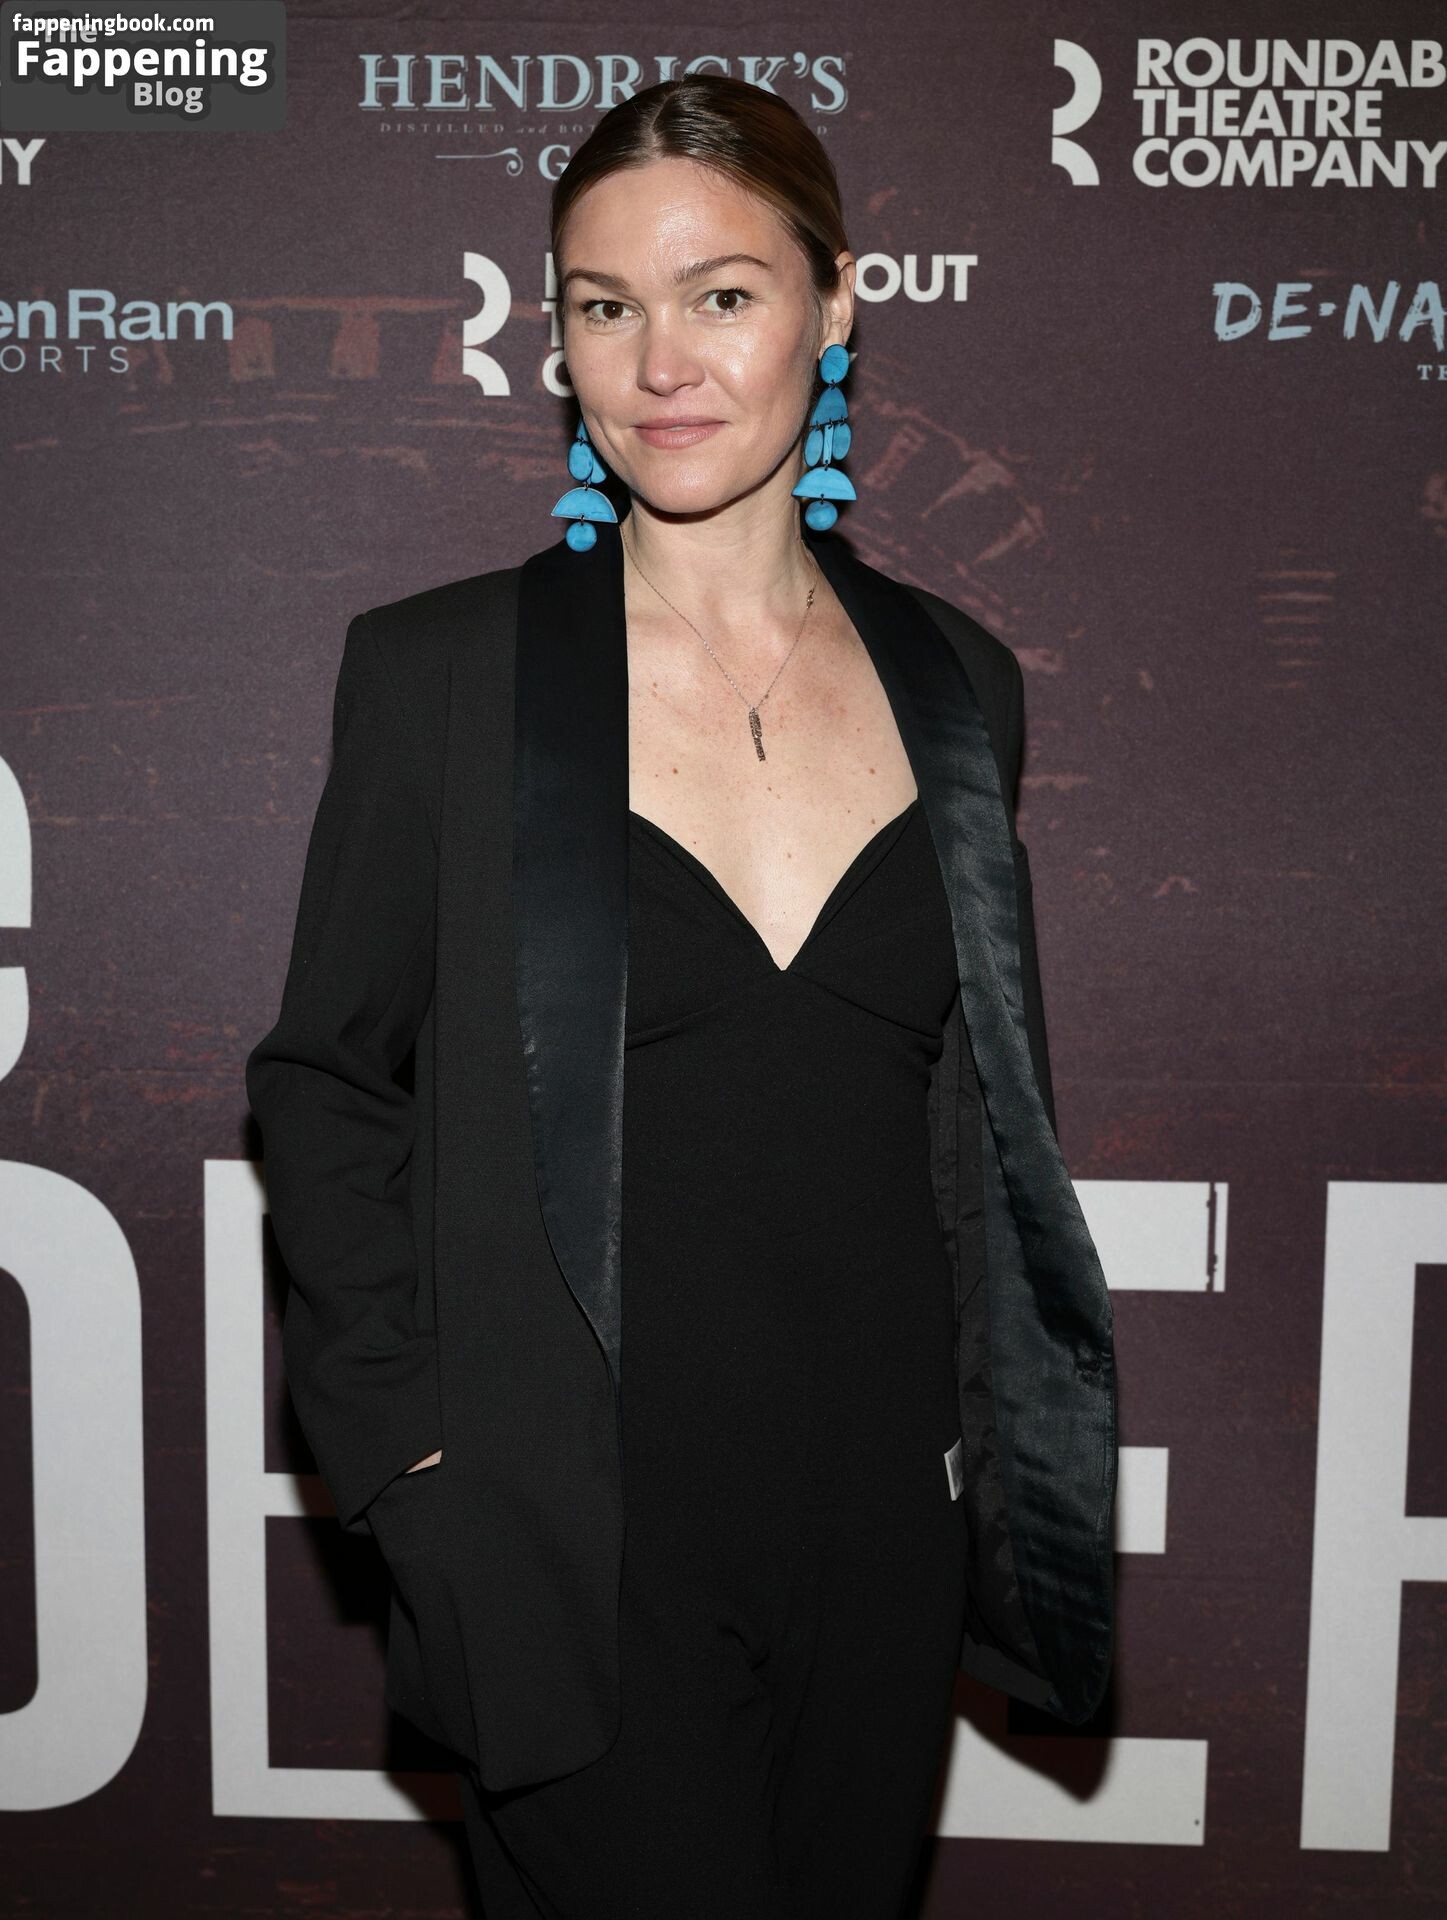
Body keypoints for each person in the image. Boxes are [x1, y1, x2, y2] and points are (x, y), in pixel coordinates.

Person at [246, 72, 1116, 1920]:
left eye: (721, 295)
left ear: (835, 302)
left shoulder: (959, 682)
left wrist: (997, 1471)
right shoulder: (446, 677)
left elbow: (970, 1124)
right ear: (557, 334)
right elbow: (326, 1081)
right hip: (573, 1547)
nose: (660, 364)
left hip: (884, 1532)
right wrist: (411, 1460)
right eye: (604, 305)